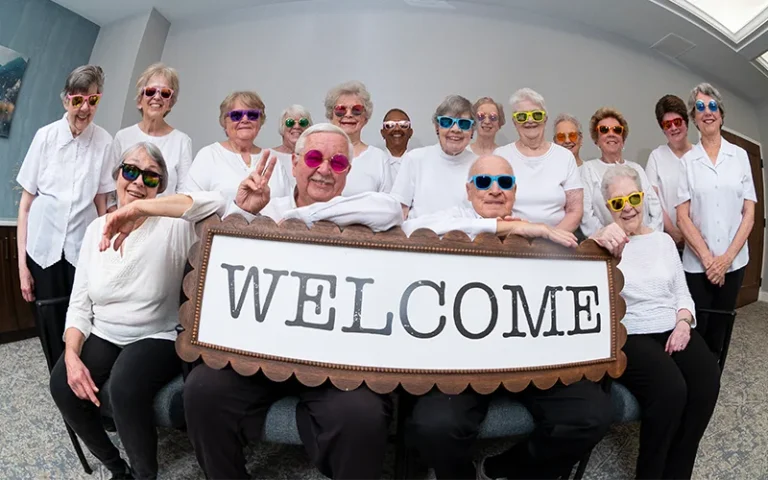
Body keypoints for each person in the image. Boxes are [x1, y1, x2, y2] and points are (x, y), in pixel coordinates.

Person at [105, 124, 401, 480]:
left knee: (364, 414)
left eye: (337, 162)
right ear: (295, 163)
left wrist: (300, 218)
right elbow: (219, 245)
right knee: (202, 390)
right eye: (313, 158)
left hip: (331, 362)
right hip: (259, 354)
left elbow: (391, 211)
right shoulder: (264, 208)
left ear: (347, 171)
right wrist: (245, 214)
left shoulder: (363, 213)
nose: (324, 169)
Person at [402, 155, 610, 480]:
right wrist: (507, 227)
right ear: (469, 190)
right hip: (462, 359)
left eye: (505, 183)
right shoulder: (454, 220)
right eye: (484, 182)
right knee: (434, 426)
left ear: (514, 191)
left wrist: (604, 245)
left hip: (529, 356)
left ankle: (504, 469)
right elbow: (410, 229)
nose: (495, 190)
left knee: (590, 415)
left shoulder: (538, 234)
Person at [48, 142, 224, 480]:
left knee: (123, 387)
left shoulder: (174, 226)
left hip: (157, 334)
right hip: (105, 331)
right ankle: (118, 469)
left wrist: (143, 208)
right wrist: (71, 355)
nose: (139, 181)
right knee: (61, 384)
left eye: (151, 177)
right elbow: (80, 302)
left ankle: (145, 475)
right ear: (117, 175)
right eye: (130, 171)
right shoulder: (95, 230)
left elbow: (215, 202)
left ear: (160, 186)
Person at [591, 165, 720, 480]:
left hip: (671, 325)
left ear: (643, 197)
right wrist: (596, 239)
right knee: (671, 390)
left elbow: (682, 293)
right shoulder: (602, 244)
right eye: (618, 202)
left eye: (633, 198)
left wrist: (684, 322)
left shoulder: (663, 241)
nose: (628, 207)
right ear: (608, 207)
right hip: (630, 333)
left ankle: (677, 472)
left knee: (707, 381)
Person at [15, 65, 113, 352]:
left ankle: (77, 374)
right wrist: (22, 267)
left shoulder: (104, 142)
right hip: (41, 249)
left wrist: (105, 255)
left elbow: (101, 204)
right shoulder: (45, 137)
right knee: (48, 323)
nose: (84, 108)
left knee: (83, 322)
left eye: (92, 100)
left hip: (81, 251)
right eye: (77, 100)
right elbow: (25, 205)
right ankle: (58, 376)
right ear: (65, 100)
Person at [676, 82, 757, 361]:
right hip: (697, 264)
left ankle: (715, 372)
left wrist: (725, 260)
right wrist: (709, 260)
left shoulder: (740, 156)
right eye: (700, 107)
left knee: (721, 326)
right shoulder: (687, 161)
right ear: (694, 117)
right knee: (697, 325)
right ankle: (699, 373)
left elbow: (749, 212)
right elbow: (682, 216)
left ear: (721, 114)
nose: (707, 111)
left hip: (734, 262)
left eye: (712, 106)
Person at [105, 63, 192, 212]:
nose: (157, 97)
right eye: (151, 91)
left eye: (165, 93)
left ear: (170, 103)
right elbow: (109, 191)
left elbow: (185, 195)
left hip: (162, 223)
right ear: (140, 101)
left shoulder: (182, 142)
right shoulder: (123, 137)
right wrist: (118, 218)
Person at [494, 88, 583, 231]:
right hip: (512, 238)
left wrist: (552, 237)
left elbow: (575, 211)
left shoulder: (565, 157)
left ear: (545, 119)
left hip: (558, 240)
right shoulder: (500, 156)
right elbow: (493, 206)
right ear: (514, 122)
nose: (530, 120)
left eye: (536, 115)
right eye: (522, 116)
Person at [390, 94, 478, 219]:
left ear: (472, 131)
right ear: (437, 127)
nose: (456, 129)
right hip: (420, 231)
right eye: (447, 122)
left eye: (464, 124)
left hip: (464, 231)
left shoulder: (480, 165)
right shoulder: (415, 159)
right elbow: (399, 210)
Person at [580, 107, 663, 237]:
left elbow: (655, 209)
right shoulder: (588, 169)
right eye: (604, 130)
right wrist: (611, 239)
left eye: (617, 130)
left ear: (623, 138)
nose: (611, 134)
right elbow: (586, 216)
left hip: (645, 239)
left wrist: (650, 237)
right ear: (596, 139)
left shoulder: (637, 168)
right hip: (609, 245)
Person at [184, 91, 270, 200]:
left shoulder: (273, 160)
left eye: (252, 115)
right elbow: (189, 202)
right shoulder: (209, 155)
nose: (245, 120)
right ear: (224, 122)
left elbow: (287, 203)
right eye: (236, 115)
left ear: (260, 122)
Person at [324, 81, 392, 195]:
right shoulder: (319, 154)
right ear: (331, 115)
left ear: (365, 118)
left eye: (356, 110)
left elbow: (387, 203)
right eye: (341, 110)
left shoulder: (379, 158)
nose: (348, 115)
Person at [645, 95, 692, 247]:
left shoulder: (700, 156)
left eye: (677, 122)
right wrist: (672, 231)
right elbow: (652, 198)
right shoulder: (656, 157)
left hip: (701, 238)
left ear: (686, 122)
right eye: (667, 124)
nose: (673, 128)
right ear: (663, 129)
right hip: (670, 240)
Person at [269, 104, 314, 196]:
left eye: (303, 122)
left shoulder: (315, 158)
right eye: (290, 122)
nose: (297, 126)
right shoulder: (268, 156)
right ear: (282, 128)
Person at [380, 108, 413, 182]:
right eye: (390, 125)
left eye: (403, 125)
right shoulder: (375, 163)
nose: (397, 129)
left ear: (410, 132)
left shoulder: (419, 163)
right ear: (382, 133)